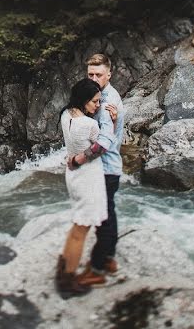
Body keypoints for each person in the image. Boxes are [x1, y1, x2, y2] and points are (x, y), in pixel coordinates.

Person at [74, 53, 125, 286]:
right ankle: (109, 259)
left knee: (102, 220)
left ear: (109, 74)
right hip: (111, 168)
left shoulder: (107, 103)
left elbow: (104, 142)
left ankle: (96, 268)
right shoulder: (102, 96)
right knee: (109, 215)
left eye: (98, 74)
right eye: (90, 74)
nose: (94, 78)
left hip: (105, 168)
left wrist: (79, 159)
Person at [55, 78, 108, 298]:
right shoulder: (89, 124)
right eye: (95, 101)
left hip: (73, 175)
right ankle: (68, 279)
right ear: (85, 100)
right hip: (87, 177)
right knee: (82, 229)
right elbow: (101, 146)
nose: (98, 105)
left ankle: (63, 266)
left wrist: (75, 159)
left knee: (77, 223)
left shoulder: (65, 115)